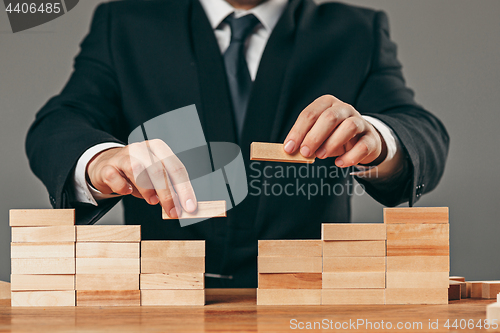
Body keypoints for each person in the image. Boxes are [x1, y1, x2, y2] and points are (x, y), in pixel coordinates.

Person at [25, 0, 449, 287]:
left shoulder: (356, 31)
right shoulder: (126, 23)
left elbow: (420, 130)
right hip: (165, 299)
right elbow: (60, 123)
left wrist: (377, 138)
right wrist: (102, 159)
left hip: (307, 298)